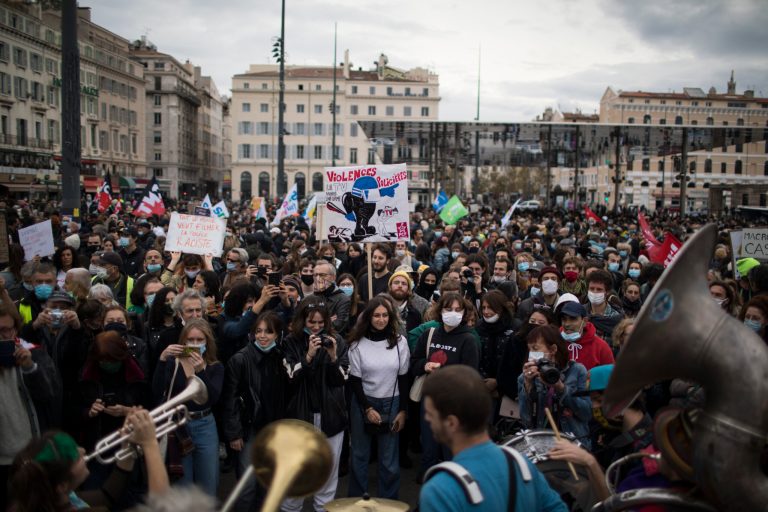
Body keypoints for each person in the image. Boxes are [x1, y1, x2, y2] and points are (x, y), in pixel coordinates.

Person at [420, 365, 567, 512]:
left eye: (431, 414)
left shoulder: (441, 489)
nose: (426, 418)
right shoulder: (522, 466)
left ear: (451, 423)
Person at [8, 409, 169, 512]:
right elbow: (164, 507)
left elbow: (107, 495)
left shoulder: (50, 500)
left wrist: (127, 447)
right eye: (76, 457)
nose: (83, 450)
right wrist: (150, 444)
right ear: (62, 486)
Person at [281, 297, 349, 511]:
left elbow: (341, 381)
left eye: (321, 323)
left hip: (331, 418)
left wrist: (333, 357)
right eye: (312, 323)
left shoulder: (336, 340)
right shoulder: (291, 342)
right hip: (300, 417)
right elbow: (290, 379)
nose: (317, 328)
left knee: (327, 476)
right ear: (302, 320)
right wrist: (308, 356)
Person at [221, 312, 289, 511]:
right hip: (248, 429)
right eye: (258, 331)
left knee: (268, 485)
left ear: (277, 334)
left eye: (269, 331)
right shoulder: (239, 360)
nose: (263, 336)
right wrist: (234, 433)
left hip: (273, 430)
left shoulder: (281, 356)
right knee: (247, 486)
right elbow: (230, 399)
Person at [347, 297, 410, 499]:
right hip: (363, 402)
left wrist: (403, 410)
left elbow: (404, 378)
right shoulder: (357, 345)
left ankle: (389, 503)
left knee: (389, 460)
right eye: (376, 315)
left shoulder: (400, 343)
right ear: (368, 317)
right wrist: (367, 408)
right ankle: (356, 502)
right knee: (359, 455)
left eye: (385, 315)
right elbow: (355, 381)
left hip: (392, 403)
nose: (381, 319)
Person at [412, 292, 480, 476]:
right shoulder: (429, 334)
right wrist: (424, 365)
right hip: (430, 402)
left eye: (458, 310)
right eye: (449, 309)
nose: (453, 313)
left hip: (454, 406)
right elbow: (414, 362)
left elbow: (470, 375)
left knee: (451, 452)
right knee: (429, 449)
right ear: (440, 311)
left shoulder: (468, 339)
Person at [154, 319, 224, 497]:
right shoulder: (173, 363)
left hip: (205, 424)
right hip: (180, 426)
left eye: (199, 340)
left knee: (209, 483)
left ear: (207, 342)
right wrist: (162, 360)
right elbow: (156, 392)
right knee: (183, 484)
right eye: (190, 340)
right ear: (183, 341)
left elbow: (212, 399)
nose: (194, 344)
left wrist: (201, 371)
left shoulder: (216, 367)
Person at [0, 302, 59, 510]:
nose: (6, 336)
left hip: (30, 456)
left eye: (10, 329)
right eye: (0, 331)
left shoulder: (33, 354)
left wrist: (30, 368)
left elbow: (48, 396)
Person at [518, 325, 592, 448]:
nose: (532, 354)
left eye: (535, 348)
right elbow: (525, 420)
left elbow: (586, 413)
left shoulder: (577, 370)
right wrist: (527, 386)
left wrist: (561, 388)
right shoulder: (525, 377)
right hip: (540, 445)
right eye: (529, 349)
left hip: (573, 441)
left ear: (553, 349)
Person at [558, 301, 614, 371]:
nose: (567, 324)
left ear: (584, 321)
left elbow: (609, 376)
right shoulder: (555, 341)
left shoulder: (601, 347)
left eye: (573, 319)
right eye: (564, 319)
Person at [313, 260, 351, 335]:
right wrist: (327, 321)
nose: (318, 278)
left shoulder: (343, 299)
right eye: (315, 275)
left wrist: (315, 323)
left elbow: (338, 326)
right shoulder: (310, 298)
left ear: (333, 277)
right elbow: (302, 325)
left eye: (322, 275)